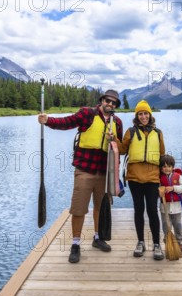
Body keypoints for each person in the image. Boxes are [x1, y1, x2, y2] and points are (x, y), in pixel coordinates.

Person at [38, 89, 123, 264]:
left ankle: (98, 237)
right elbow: (67, 122)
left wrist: (114, 142)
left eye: (114, 103)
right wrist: (48, 121)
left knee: (100, 208)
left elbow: (118, 149)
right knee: (78, 209)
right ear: (102, 101)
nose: (110, 104)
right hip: (84, 170)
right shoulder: (87, 114)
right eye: (108, 101)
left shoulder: (118, 123)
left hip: (105, 173)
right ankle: (75, 244)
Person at [115, 100, 165, 260]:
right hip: (134, 177)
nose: (143, 116)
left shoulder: (158, 133)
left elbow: (162, 156)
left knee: (152, 210)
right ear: (137, 116)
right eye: (140, 114)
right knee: (138, 210)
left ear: (150, 115)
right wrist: (113, 139)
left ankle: (157, 245)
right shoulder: (130, 132)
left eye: (146, 113)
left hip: (152, 177)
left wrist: (165, 180)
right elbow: (122, 150)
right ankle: (141, 242)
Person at [159, 154, 182, 254]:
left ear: (172, 167)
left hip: (177, 208)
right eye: (164, 166)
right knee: (166, 225)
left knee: (178, 225)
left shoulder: (178, 176)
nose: (167, 169)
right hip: (165, 208)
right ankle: (168, 242)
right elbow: (156, 192)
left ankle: (179, 242)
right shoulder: (159, 179)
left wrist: (173, 188)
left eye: (169, 166)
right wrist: (160, 192)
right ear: (161, 167)